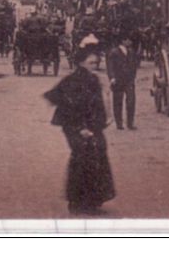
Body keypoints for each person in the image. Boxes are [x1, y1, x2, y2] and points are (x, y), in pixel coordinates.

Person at [44, 46, 116, 216]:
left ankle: (89, 201)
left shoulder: (90, 78)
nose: (94, 65)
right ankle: (79, 203)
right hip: (77, 126)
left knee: (94, 156)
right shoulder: (76, 80)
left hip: (90, 125)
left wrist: (104, 118)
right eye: (91, 62)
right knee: (84, 158)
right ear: (81, 62)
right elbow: (69, 105)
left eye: (96, 62)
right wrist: (80, 128)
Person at [106, 35, 138, 130]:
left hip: (129, 80)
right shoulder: (114, 52)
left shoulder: (131, 52)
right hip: (118, 80)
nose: (130, 42)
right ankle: (119, 123)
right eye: (129, 40)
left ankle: (130, 123)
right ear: (123, 41)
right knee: (118, 102)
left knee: (131, 101)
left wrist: (133, 76)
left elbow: (134, 65)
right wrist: (112, 78)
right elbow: (110, 66)